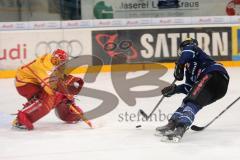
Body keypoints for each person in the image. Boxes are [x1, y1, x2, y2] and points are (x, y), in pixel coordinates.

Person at [156, 38, 229, 142]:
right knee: (192, 101)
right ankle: (173, 123)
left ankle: (180, 128)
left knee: (191, 101)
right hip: (218, 89)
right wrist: (175, 89)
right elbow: (190, 88)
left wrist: (180, 65)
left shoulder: (193, 49)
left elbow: (187, 52)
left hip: (213, 74)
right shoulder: (189, 71)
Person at [12, 49, 89, 130]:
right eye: (56, 60)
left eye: (60, 62)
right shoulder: (42, 68)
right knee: (46, 100)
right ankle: (20, 119)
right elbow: (49, 89)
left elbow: (57, 79)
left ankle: (69, 114)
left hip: (35, 80)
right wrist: (64, 92)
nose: (57, 63)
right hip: (24, 84)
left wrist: (65, 93)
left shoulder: (51, 62)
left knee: (61, 95)